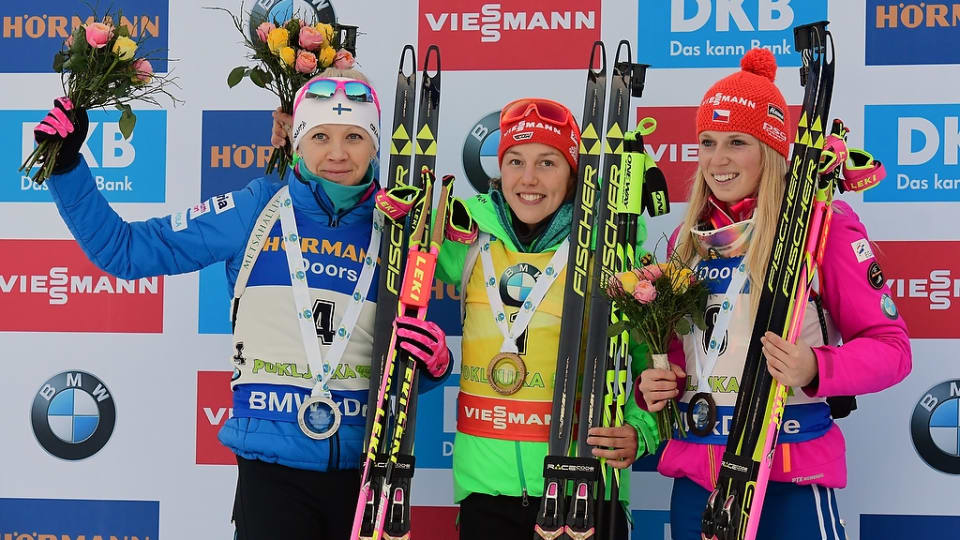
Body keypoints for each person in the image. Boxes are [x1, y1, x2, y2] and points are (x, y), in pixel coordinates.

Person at [35, 67, 452, 539]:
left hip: (369, 470)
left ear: (376, 145)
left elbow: (401, 364)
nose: (338, 153)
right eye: (320, 136)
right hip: (271, 476)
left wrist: (432, 364)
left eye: (355, 136)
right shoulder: (257, 207)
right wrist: (67, 166)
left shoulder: (400, 225)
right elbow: (125, 251)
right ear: (296, 141)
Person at [634, 49, 912, 539]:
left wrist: (816, 367)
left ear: (772, 150)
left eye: (737, 142)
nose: (718, 160)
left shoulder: (821, 229)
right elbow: (685, 356)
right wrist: (662, 382)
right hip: (699, 475)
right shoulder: (686, 241)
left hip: (788, 476)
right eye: (707, 142)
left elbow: (892, 349)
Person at [433, 98, 656, 539]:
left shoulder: (611, 252)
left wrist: (640, 430)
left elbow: (658, 358)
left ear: (574, 174)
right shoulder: (467, 238)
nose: (528, 179)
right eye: (515, 161)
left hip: (585, 487)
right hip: (485, 490)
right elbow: (384, 249)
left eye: (548, 163)